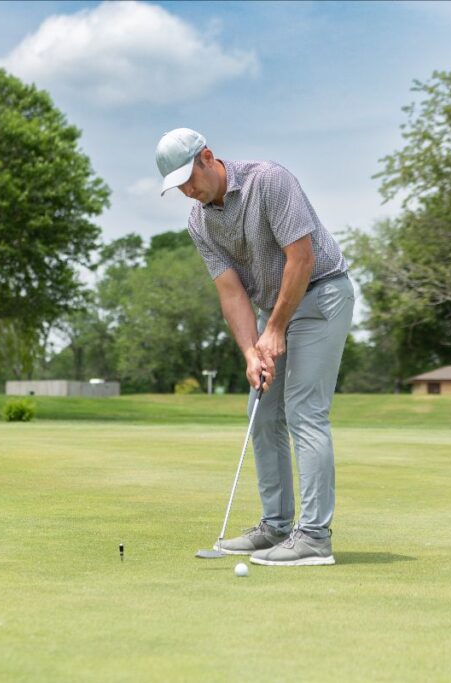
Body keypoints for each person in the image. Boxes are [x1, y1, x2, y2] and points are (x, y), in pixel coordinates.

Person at [156, 128, 354, 566]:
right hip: (272, 310)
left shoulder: (270, 181)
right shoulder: (199, 221)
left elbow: (300, 259)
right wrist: (251, 350)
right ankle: (276, 527)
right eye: (180, 187)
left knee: (305, 411)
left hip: (321, 294)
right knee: (261, 412)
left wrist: (277, 327)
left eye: (190, 179)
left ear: (208, 157)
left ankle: (315, 537)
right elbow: (231, 292)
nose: (189, 192)